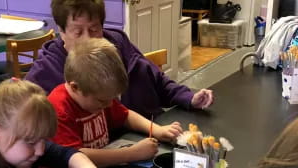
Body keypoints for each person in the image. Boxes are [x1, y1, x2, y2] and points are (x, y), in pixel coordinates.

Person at [25, 0, 214, 119]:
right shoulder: (45, 73)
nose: (88, 39)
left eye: (94, 29)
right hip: (105, 157)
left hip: (152, 132)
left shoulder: (118, 42)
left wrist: (189, 98)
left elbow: (158, 81)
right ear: (61, 31)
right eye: (77, 32)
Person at [46, 38, 183, 168]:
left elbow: (126, 115)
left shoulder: (100, 96)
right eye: (103, 101)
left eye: (112, 99)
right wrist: (131, 154)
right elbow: (76, 158)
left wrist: (157, 130)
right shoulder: (58, 111)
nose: (109, 105)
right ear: (75, 88)